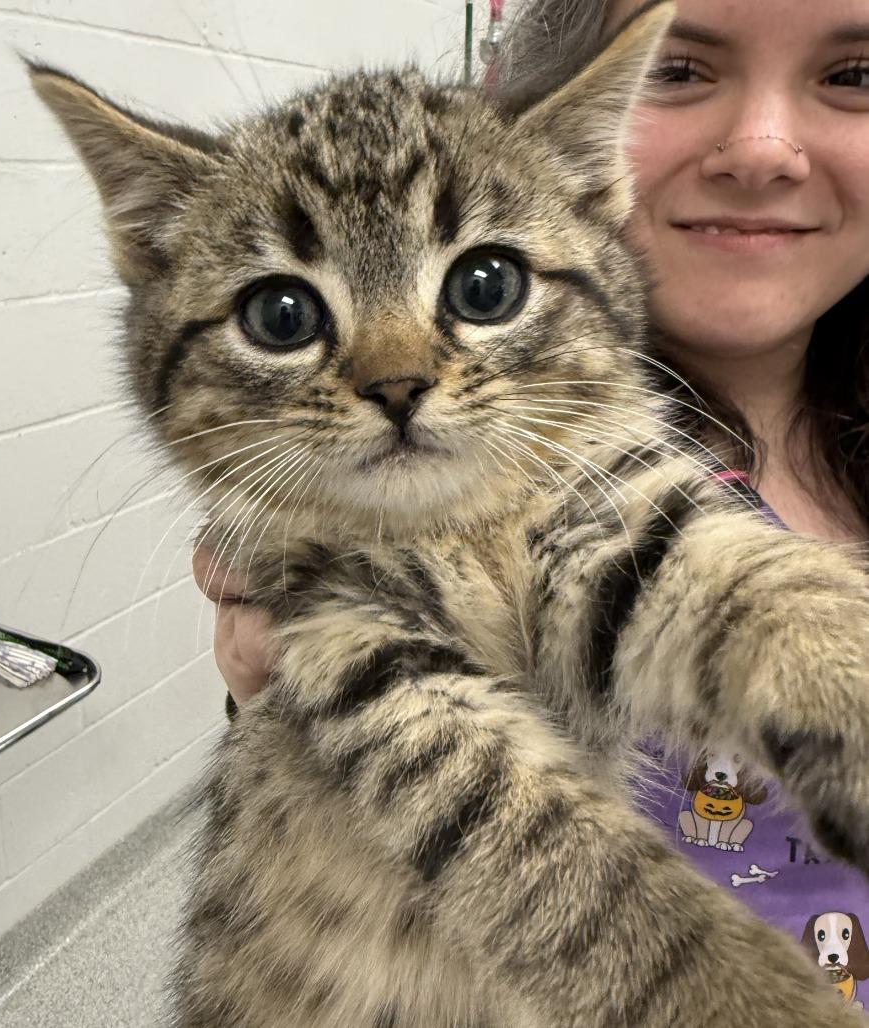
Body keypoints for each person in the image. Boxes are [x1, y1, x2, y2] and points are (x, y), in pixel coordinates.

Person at [193, 0, 869, 999]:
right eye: (679, 69)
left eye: (851, 73)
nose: (761, 151)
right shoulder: (522, 458)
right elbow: (627, 570)